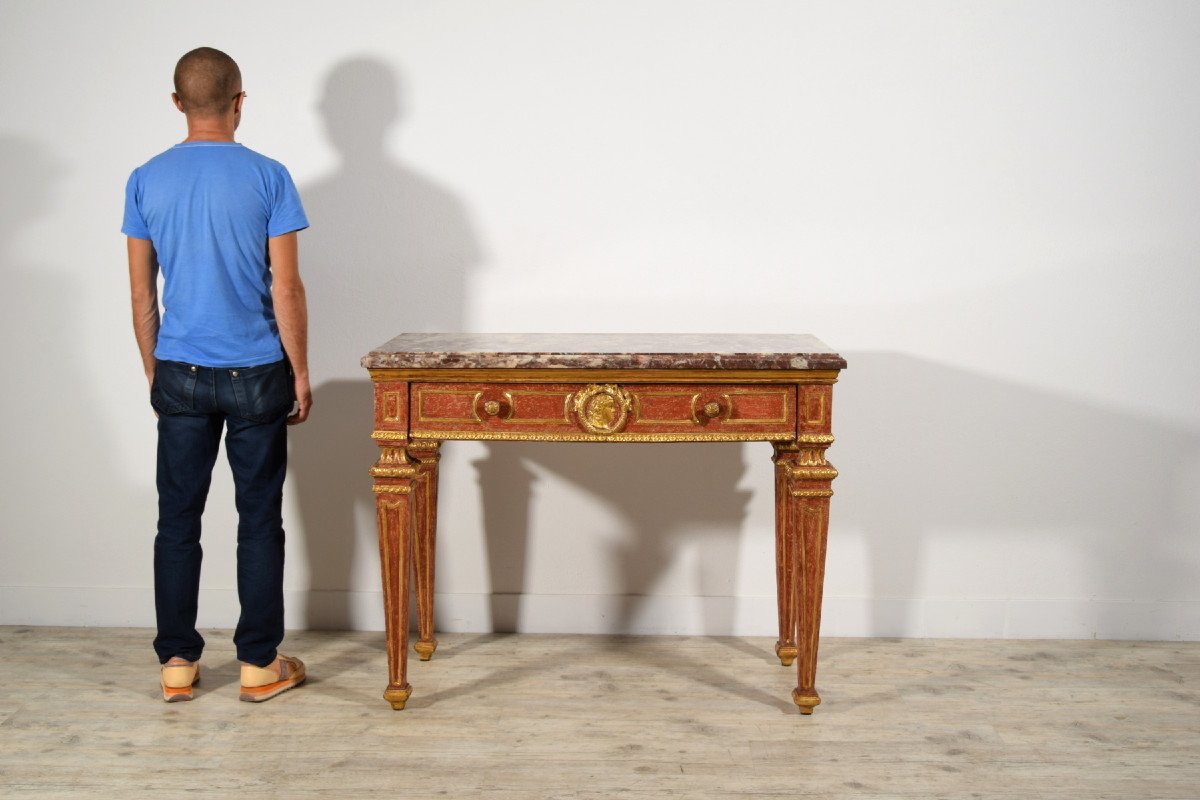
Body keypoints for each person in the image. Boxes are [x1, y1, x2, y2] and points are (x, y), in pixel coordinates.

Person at [123, 47, 311, 702]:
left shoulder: (145, 178)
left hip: (179, 368)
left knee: (177, 520)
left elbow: (142, 295)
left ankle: (177, 664)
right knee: (258, 518)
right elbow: (286, 289)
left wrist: (157, 374)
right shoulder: (269, 176)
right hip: (257, 370)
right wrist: (302, 371)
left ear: (178, 103)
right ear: (239, 100)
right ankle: (259, 666)